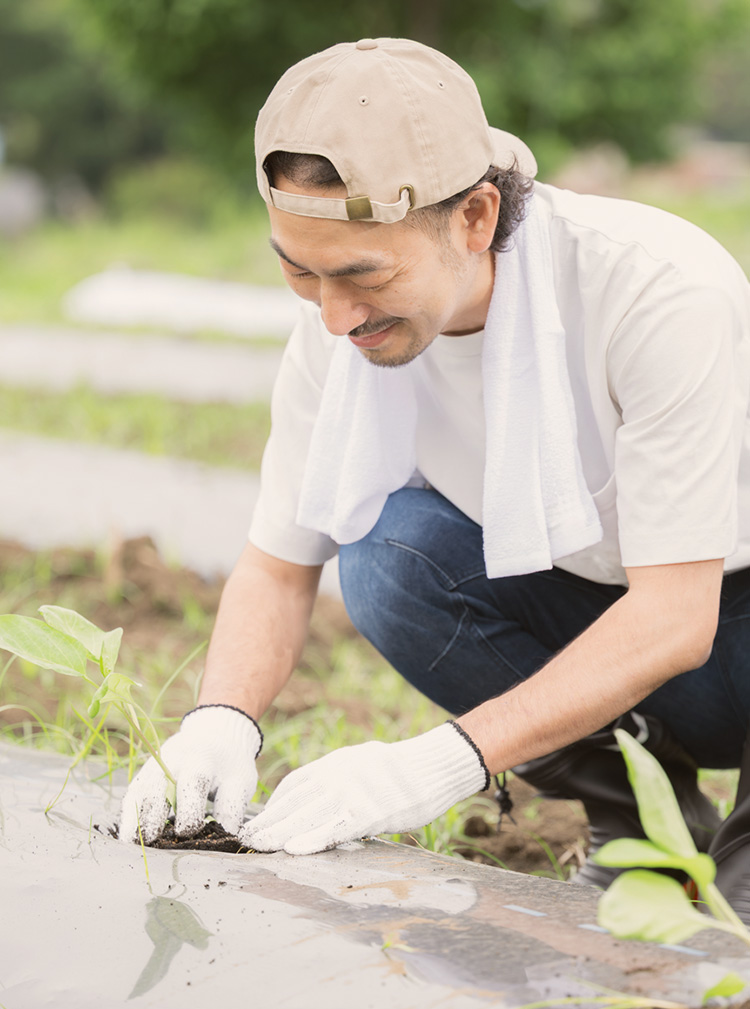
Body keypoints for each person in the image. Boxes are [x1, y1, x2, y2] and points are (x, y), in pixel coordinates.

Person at [120, 38, 750, 915]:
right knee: (388, 556)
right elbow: (278, 560)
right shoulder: (338, 335)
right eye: (298, 269)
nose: (335, 316)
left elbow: (677, 618)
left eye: (362, 275)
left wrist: (446, 760)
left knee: (735, 937)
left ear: (476, 219)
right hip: (618, 626)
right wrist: (220, 721)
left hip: (725, 628)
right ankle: (648, 828)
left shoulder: (654, 292)